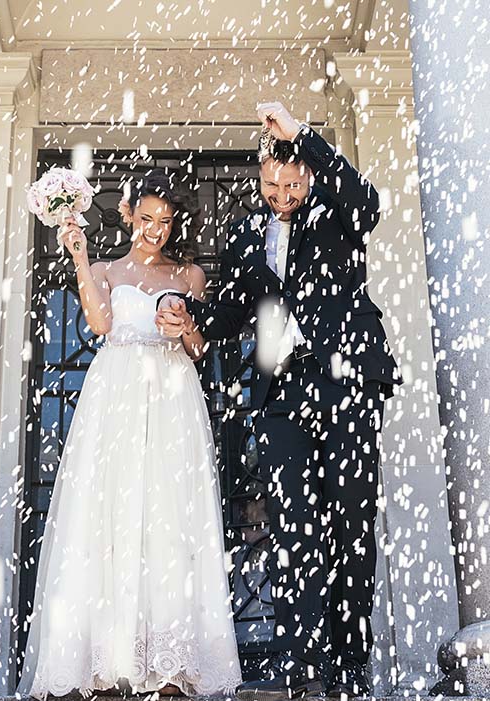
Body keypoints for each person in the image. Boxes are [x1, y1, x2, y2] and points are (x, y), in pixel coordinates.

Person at [156, 103, 402, 700]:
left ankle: (347, 670)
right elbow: (238, 306)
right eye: (272, 184)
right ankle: (299, 669)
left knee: (349, 525)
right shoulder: (247, 231)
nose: (281, 195)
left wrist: (302, 135)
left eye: (292, 185)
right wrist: (190, 317)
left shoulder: (339, 212)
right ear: (260, 174)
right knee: (293, 527)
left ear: (309, 177)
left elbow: (370, 202)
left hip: (346, 382)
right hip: (280, 394)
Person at [17, 170, 242, 699]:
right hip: (117, 393)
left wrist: (184, 327)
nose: (156, 230)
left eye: (165, 222)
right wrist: (77, 255)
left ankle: (167, 662)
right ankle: (112, 656)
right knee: (112, 514)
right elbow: (98, 323)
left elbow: (200, 350)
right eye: (146, 219)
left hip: (171, 397)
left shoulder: (189, 276)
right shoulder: (107, 270)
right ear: (127, 214)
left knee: (167, 518)